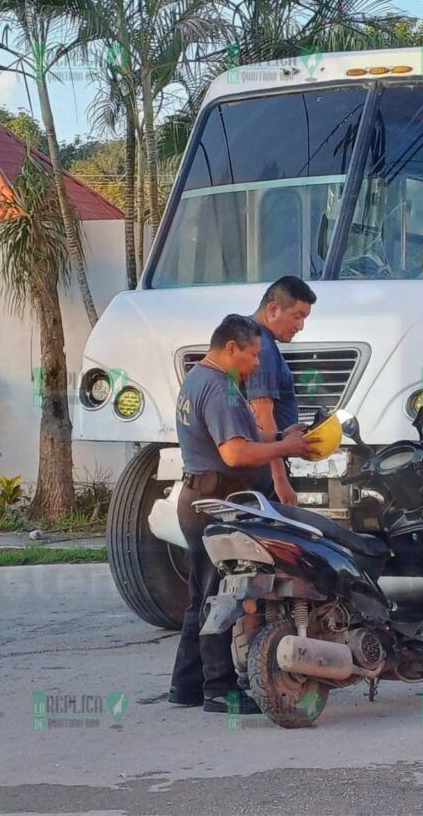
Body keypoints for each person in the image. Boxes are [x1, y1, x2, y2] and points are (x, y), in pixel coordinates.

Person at [168, 314, 315, 714]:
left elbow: (244, 437)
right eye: (251, 355)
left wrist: (279, 436)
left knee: (202, 595)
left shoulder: (202, 377)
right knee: (222, 598)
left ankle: (186, 686)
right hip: (216, 503)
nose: (255, 365)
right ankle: (219, 691)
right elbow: (234, 453)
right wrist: (284, 451)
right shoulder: (219, 388)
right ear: (231, 348)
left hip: (202, 496)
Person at [246, 276, 318, 507]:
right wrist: (280, 479)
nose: (301, 326)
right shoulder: (262, 348)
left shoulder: (247, 335)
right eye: (297, 316)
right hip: (263, 470)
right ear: (274, 309)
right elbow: (262, 415)